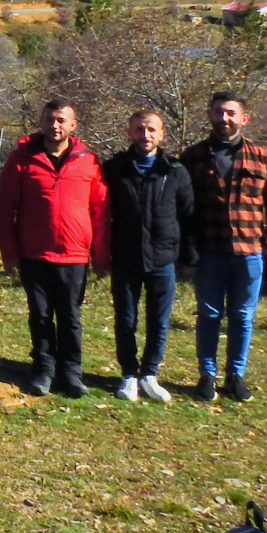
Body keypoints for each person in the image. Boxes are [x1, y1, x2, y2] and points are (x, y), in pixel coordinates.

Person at [178, 92, 267, 402]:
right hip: (209, 252)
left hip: (251, 252)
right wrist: (185, 253)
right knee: (209, 313)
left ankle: (235, 375)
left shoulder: (263, 157)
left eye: (231, 113)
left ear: (244, 118)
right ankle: (207, 375)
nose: (224, 119)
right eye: (218, 112)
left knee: (243, 316)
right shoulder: (192, 158)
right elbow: (183, 211)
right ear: (209, 115)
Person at [0, 98, 109, 398]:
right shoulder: (22, 158)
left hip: (74, 255)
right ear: (42, 122)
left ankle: (71, 370)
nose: (55, 125)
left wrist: (100, 255)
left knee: (70, 317)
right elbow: (5, 209)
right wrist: (9, 254)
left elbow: (100, 210)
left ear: (73, 125)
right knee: (41, 315)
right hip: (35, 254)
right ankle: (44, 368)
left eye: (61, 120)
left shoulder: (89, 161)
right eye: (50, 119)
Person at [101, 110, 194, 404]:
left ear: (161, 134)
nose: (146, 135)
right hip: (126, 258)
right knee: (126, 319)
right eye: (140, 129)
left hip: (163, 259)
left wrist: (189, 257)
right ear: (130, 132)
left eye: (151, 130)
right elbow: (101, 214)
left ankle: (149, 374)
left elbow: (189, 215)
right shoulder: (114, 169)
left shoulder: (175, 171)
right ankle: (129, 374)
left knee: (159, 321)